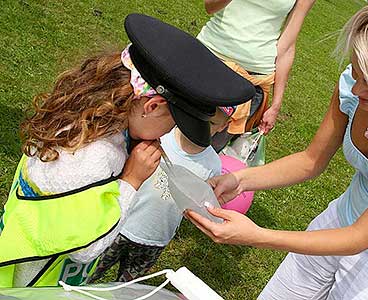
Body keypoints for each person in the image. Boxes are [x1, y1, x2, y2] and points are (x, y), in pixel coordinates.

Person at [187, 1, 368, 299]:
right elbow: (310, 161)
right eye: (358, 71)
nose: (357, 89)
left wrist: (257, 236)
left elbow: (360, 237)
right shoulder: (355, 85)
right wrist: (241, 180)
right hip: (344, 218)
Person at [0, 13, 254, 287]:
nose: (169, 133)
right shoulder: (95, 157)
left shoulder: (89, 116)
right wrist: (130, 181)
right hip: (31, 278)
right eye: (173, 123)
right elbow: (86, 248)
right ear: (152, 106)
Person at [89, 106, 233, 282]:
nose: (199, 127)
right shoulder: (159, 135)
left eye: (210, 123)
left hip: (154, 239)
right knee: (88, 273)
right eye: (198, 117)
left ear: (223, 126)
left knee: (127, 287)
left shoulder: (212, 165)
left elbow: (198, 200)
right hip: (121, 226)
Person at [197, 0, 317, 151]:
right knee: (169, 131)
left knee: (206, 151)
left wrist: (276, 105)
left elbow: (287, 46)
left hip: (251, 81)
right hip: (208, 58)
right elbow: (210, 6)